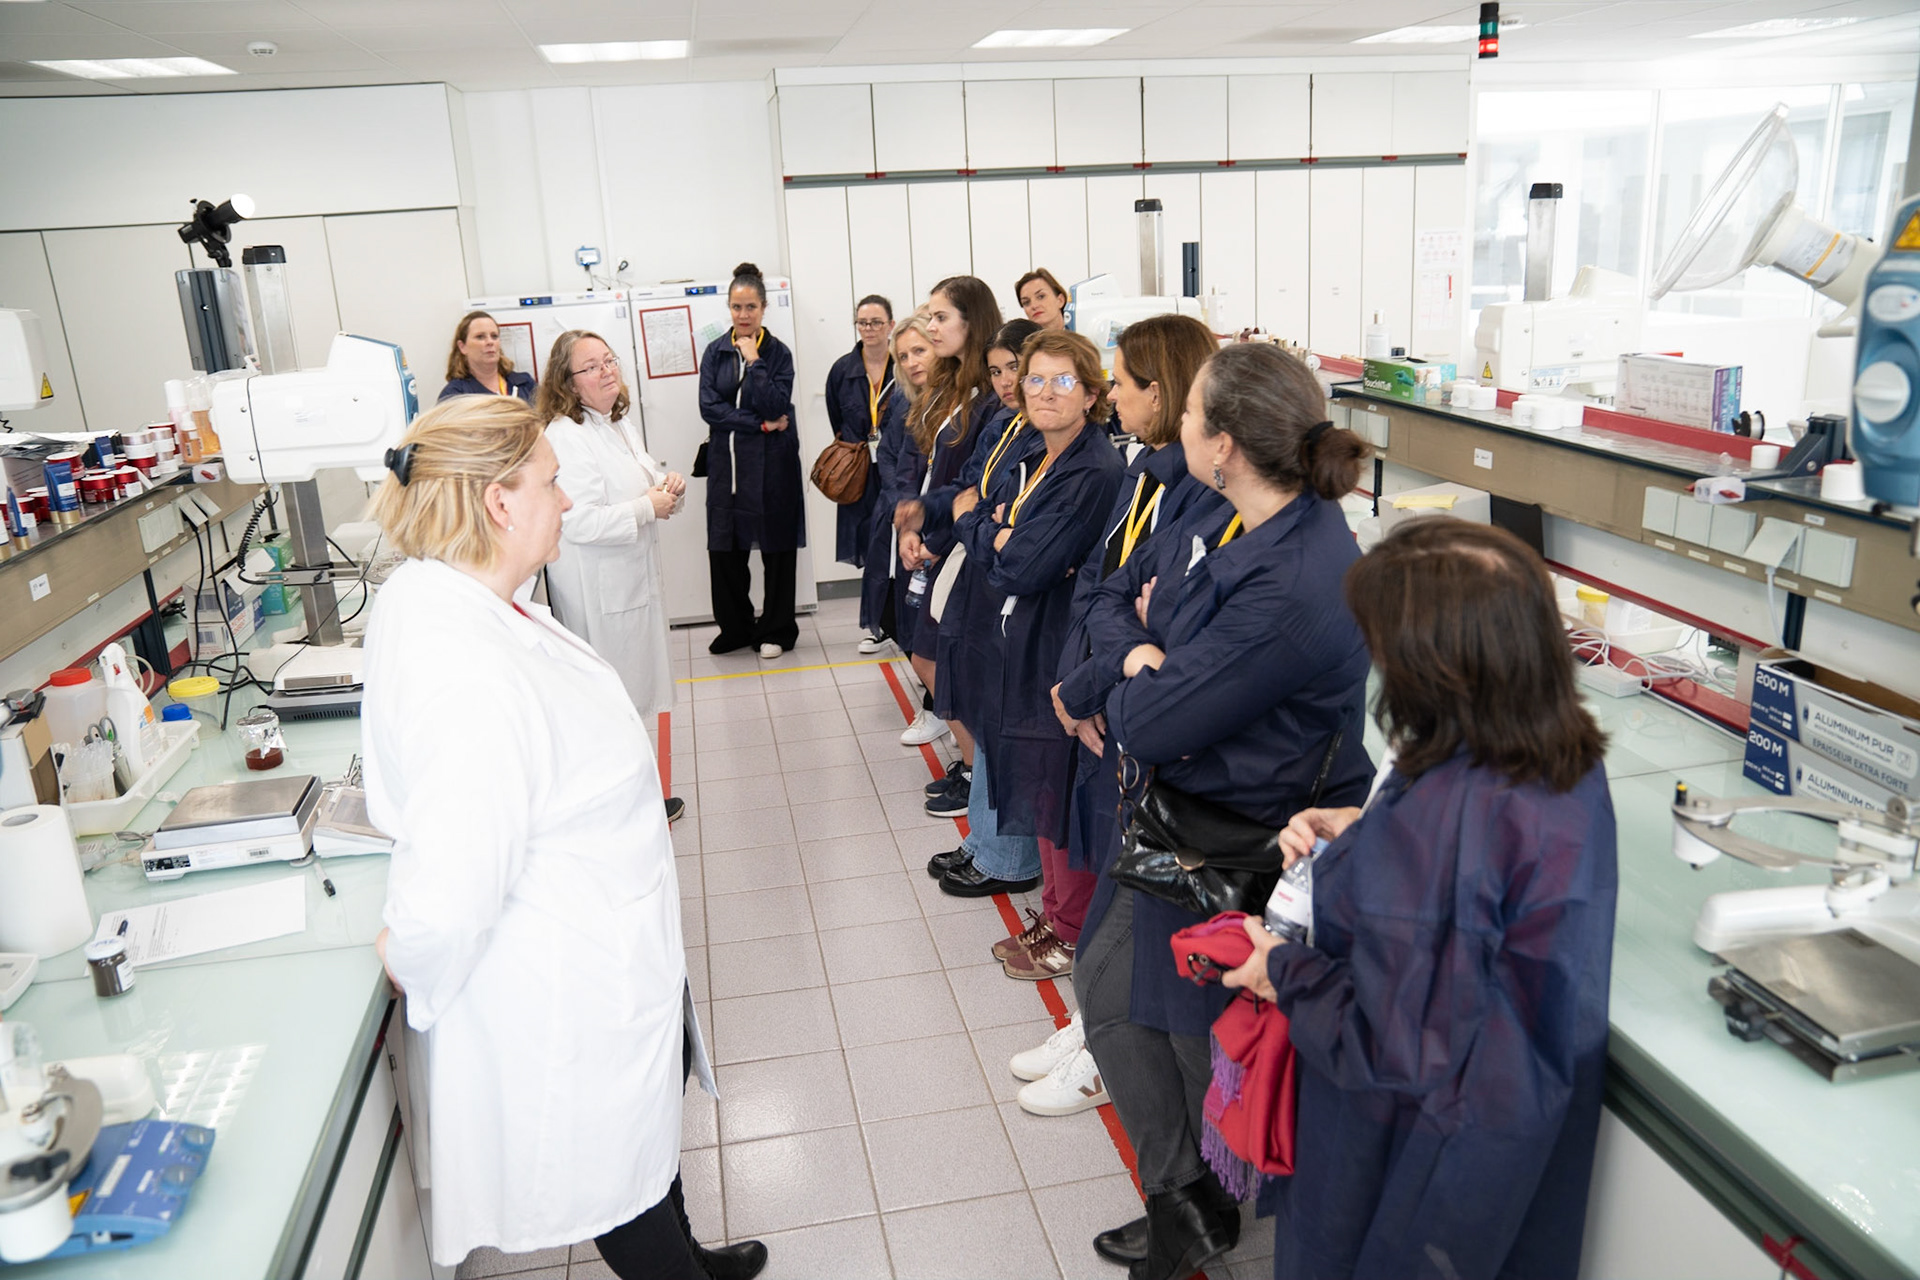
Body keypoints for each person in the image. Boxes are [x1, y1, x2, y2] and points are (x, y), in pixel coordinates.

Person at [362, 396, 766, 1280]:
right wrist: (411, 950)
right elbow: (453, 877)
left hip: (608, 940)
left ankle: (692, 1256)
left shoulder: (483, 602)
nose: (567, 500)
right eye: (551, 484)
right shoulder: (463, 667)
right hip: (566, 977)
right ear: (499, 502)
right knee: (614, 1172)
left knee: (643, 1136)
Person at [1222, 519, 1616, 1280]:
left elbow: (1388, 1043)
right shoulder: (1554, 755)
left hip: (1400, 1151)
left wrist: (1280, 970)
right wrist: (1366, 828)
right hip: (1508, 1133)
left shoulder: (1444, 817)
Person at [1076, 343, 1377, 1280]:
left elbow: (1153, 720)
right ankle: (1187, 1200)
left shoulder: (1292, 579)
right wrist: (1141, 652)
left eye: (1192, 413)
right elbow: (1127, 605)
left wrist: (1137, 668)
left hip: (1238, 834)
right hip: (1189, 813)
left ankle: (1203, 1204)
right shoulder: (1241, 516)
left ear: (1226, 444)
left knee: (1182, 1023)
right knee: (1116, 992)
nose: (1178, 424)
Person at [1009, 312, 1221, 1117]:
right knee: (1108, 886)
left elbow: (1162, 625)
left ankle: (1109, 1047)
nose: (1113, 398)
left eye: (1122, 384)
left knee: (1126, 896)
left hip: (1132, 710)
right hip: (1101, 687)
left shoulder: (1195, 491)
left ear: (1158, 394)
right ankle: (1093, 1026)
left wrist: (1096, 677)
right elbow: (1108, 592)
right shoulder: (1144, 473)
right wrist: (1083, 678)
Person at [943, 329, 1124, 949]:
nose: (1046, 392)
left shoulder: (1093, 469)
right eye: (1036, 380)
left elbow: (1022, 564)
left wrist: (985, 527)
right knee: (1035, 782)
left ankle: (1068, 931)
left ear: (1092, 394)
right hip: (1023, 636)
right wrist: (993, 530)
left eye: (1063, 380)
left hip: (1057, 645)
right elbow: (1008, 541)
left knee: (1055, 789)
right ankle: (1052, 916)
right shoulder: (1040, 455)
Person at [537, 329, 689, 824]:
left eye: (609, 361)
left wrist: (666, 487)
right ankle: (619, 809)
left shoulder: (615, 423)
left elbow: (640, 483)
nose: (606, 372)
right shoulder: (566, 436)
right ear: (567, 382)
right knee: (606, 705)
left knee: (625, 703)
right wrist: (647, 507)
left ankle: (631, 801)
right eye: (592, 367)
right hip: (597, 593)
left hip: (628, 582)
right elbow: (577, 521)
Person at [917, 316, 1041, 821]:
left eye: (1015, 368)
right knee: (963, 679)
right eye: (995, 372)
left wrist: (974, 519)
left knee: (993, 699)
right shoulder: (1002, 425)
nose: (1006, 381)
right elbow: (969, 491)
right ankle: (981, 808)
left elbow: (1000, 518)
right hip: (978, 563)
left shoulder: (1048, 440)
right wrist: (929, 515)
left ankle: (990, 824)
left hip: (1004, 582)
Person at [891, 275, 1007, 751]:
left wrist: (935, 538)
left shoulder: (989, 398)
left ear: (971, 321)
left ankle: (979, 770)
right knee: (928, 655)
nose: (932, 327)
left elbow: (972, 487)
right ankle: (976, 769)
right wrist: (915, 524)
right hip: (939, 531)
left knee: (938, 658)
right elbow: (928, 467)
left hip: (961, 541)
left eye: (941, 318)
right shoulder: (949, 385)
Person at [699, 262, 800, 659]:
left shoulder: (778, 353)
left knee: (777, 549)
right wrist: (757, 425)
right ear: (729, 308)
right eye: (737, 307)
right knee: (725, 549)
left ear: (763, 308)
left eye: (751, 307)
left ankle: (776, 629)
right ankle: (736, 628)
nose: (743, 315)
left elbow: (777, 404)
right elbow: (710, 409)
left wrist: (755, 361)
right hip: (728, 468)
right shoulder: (715, 352)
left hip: (773, 468)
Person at [862, 311, 935, 662]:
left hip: (936, 515)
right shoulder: (905, 399)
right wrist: (900, 501)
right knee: (895, 600)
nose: (911, 362)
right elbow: (890, 455)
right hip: (900, 510)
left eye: (919, 351)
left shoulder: (958, 400)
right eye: (903, 356)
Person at [825, 294, 896, 652]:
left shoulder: (904, 366)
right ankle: (876, 624)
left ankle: (900, 622)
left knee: (899, 542)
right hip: (859, 472)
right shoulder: (842, 370)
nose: (869, 329)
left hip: (897, 469)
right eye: (863, 323)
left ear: (891, 326)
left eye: (876, 322)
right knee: (871, 547)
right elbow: (836, 420)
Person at [438, 310, 536, 403]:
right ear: (462, 347)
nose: (490, 342)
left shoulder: (524, 383)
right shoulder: (454, 395)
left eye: (494, 336)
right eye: (480, 337)